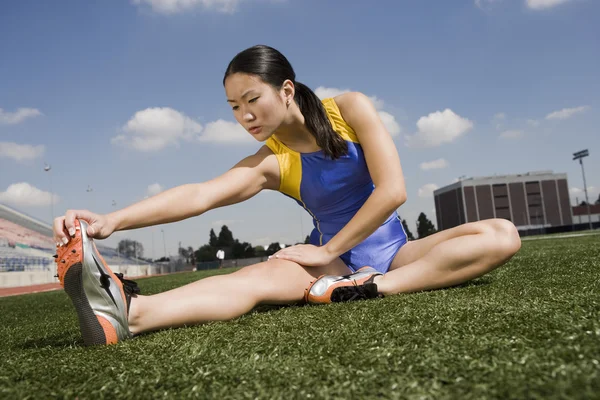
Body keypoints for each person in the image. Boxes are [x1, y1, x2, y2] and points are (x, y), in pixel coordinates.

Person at [53, 45, 521, 346]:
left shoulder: (350, 109)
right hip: (328, 267)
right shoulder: (272, 162)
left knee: (502, 236)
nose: (244, 115)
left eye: (252, 99)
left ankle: (370, 289)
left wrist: (338, 256)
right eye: (235, 107)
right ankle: (131, 315)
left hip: (391, 255)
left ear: (287, 90)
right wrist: (111, 220)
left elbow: (393, 191)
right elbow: (202, 195)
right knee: (256, 280)